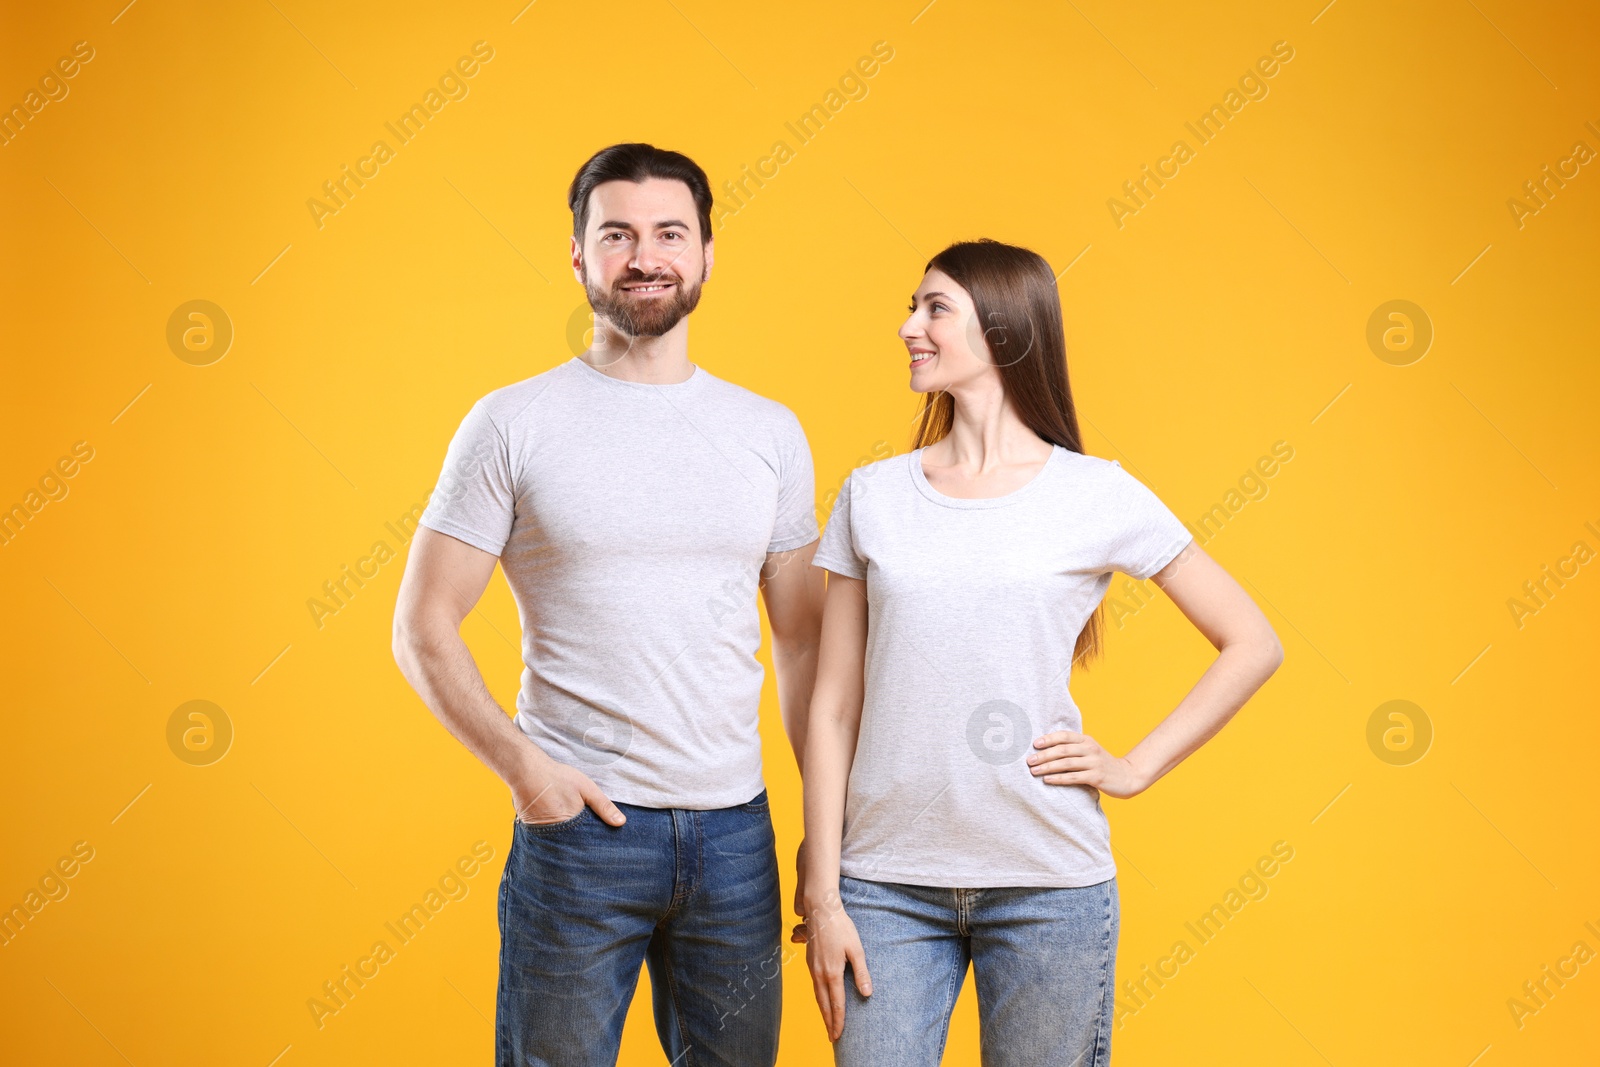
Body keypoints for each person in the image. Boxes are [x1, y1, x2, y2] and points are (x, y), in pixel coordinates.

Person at [797, 239, 1284, 1066]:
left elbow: (1253, 641)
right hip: (883, 884)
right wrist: (823, 881)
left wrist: (1134, 766)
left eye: (933, 308)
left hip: (1049, 884)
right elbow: (833, 706)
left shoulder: (1094, 494)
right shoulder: (871, 495)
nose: (908, 326)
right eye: (911, 306)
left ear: (1005, 330)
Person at [391, 142, 824, 1067]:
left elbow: (804, 648)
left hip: (737, 836)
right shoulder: (512, 422)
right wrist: (529, 774)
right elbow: (421, 624)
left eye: (671, 232)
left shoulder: (770, 433)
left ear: (708, 254)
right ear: (580, 257)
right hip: (580, 833)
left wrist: (827, 834)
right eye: (617, 233)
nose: (645, 255)